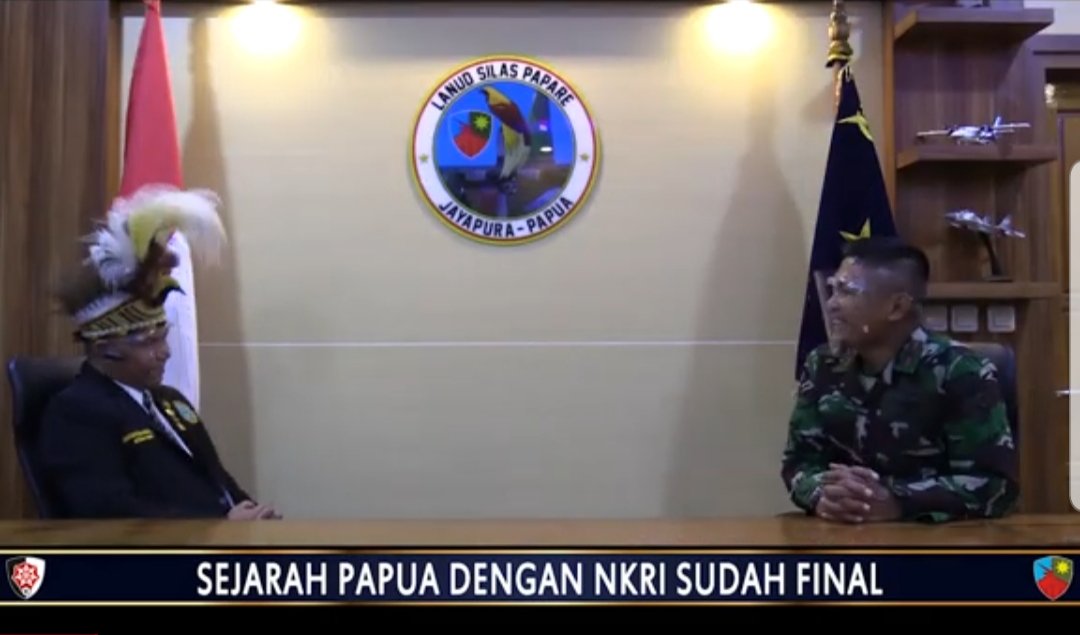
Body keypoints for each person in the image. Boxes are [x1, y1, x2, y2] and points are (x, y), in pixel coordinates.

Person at [38, 185, 280, 520]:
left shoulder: (170, 401)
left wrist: (254, 518)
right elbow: (110, 513)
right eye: (148, 342)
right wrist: (219, 527)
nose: (164, 353)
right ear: (105, 348)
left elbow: (219, 484)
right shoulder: (77, 412)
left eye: (163, 337)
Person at [781, 237, 1018, 524]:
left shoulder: (959, 370)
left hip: (936, 538)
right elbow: (799, 462)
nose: (832, 305)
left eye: (847, 292)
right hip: (842, 536)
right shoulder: (823, 364)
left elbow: (994, 485)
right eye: (833, 289)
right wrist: (823, 495)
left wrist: (898, 500)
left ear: (897, 307)